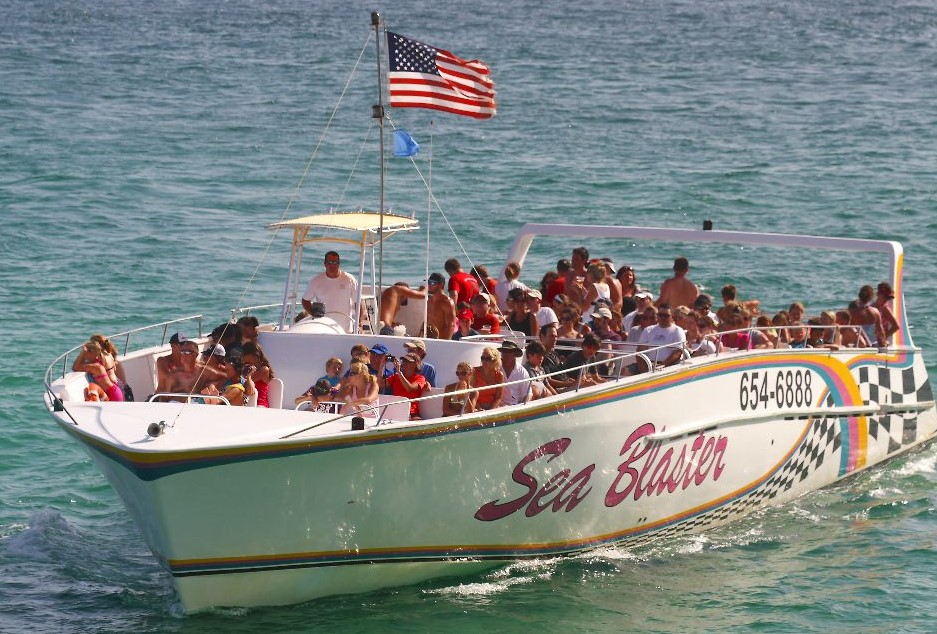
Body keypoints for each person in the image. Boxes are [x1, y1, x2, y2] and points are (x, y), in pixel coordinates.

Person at [302, 250, 359, 332]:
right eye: (330, 262)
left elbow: (358, 303)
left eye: (335, 262)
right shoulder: (316, 281)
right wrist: (314, 313)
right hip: (324, 328)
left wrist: (359, 323)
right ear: (325, 263)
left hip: (345, 329)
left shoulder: (350, 280)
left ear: (339, 264)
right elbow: (305, 301)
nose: (333, 265)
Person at [637, 303, 687, 371]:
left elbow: (677, 353)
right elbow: (640, 351)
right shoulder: (648, 330)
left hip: (669, 366)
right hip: (649, 364)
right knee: (625, 371)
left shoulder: (678, 331)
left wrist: (662, 365)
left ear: (672, 316)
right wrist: (643, 368)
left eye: (666, 315)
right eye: (660, 315)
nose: (663, 318)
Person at [385, 353, 430, 419]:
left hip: (412, 413)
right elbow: (380, 384)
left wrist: (399, 372)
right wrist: (382, 365)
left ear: (415, 364)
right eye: (404, 361)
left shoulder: (420, 378)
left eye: (408, 362)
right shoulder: (396, 377)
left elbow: (409, 388)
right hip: (395, 411)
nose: (404, 363)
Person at [241, 341, 274, 408]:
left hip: (260, 404)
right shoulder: (247, 368)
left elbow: (244, 382)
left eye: (245, 354)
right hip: (247, 401)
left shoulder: (264, 369)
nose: (243, 357)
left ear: (254, 355)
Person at [498, 341, 531, 406]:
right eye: (503, 351)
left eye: (509, 351)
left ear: (515, 354)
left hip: (515, 407)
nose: (505, 354)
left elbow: (527, 395)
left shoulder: (522, 371)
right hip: (497, 407)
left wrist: (522, 409)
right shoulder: (496, 368)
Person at [426, 272, 456, 339]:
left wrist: (445, 343)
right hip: (430, 340)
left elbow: (451, 325)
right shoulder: (430, 301)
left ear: (441, 285)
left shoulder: (447, 302)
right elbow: (427, 321)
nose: (429, 285)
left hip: (442, 340)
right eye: (428, 282)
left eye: (432, 283)